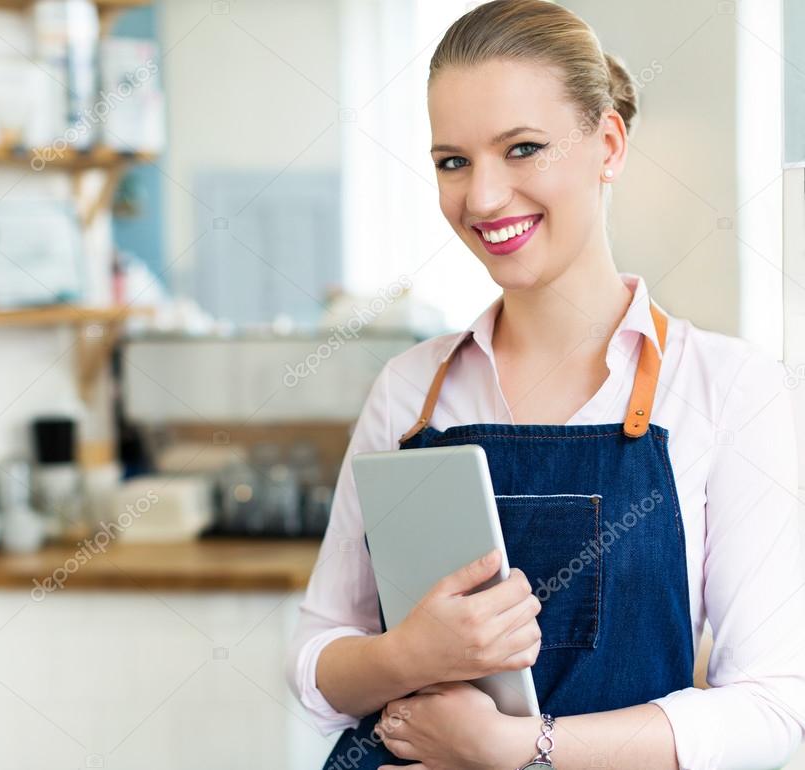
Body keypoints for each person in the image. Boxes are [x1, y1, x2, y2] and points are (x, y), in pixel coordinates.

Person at [285, 1, 805, 768]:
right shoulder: (411, 391)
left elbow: (776, 712)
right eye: (452, 161)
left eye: (522, 148)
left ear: (607, 144)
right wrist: (408, 656)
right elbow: (316, 660)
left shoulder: (731, 392)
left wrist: (521, 747)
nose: (483, 198)